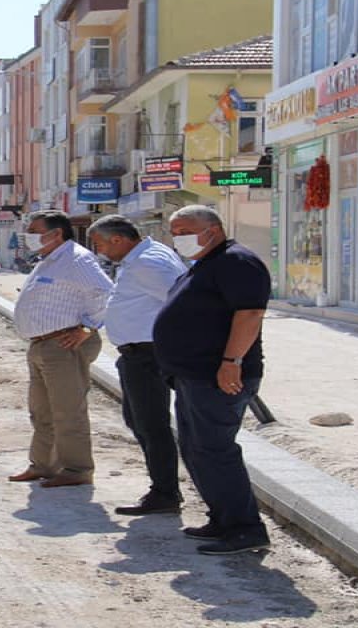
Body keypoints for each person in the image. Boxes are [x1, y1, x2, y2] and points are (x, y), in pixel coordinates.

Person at [152, 205, 271, 556]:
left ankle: (245, 528)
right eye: (174, 232)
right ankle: (223, 518)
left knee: (215, 451)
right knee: (196, 449)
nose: (178, 239)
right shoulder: (204, 264)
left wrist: (231, 361)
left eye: (185, 230)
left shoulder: (237, 261)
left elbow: (250, 314)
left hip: (219, 376)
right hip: (193, 376)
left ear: (213, 229)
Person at [88, 215, 188, 516]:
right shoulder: (141, 258)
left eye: (100, 245)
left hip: (149, 354)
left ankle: (166, 492)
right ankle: (163, 488)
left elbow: (182, 304)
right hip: (136, 354)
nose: (100, 252)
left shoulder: (149, 263)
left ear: (117, 240)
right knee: (139, 422)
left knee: (151, 425)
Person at [9, 210, 113, 488]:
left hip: (63, 345)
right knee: (41, 411)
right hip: (42, 345)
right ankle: (43, 464)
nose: (28, 236)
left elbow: (106, 293)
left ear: (56, 234)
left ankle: (77, 468)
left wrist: (88, 327)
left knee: (68, 411)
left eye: (34, 230)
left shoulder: (76, 259)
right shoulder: (49, 260)